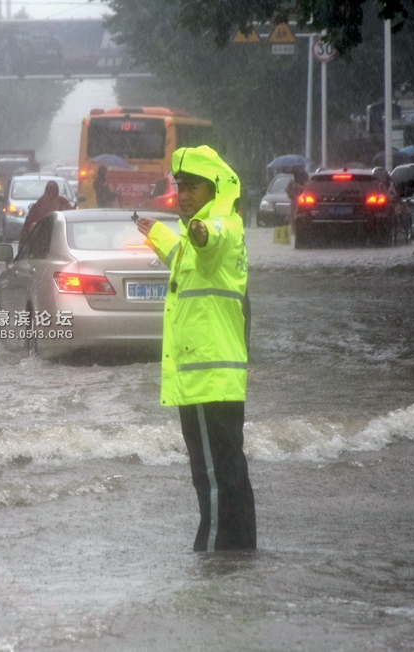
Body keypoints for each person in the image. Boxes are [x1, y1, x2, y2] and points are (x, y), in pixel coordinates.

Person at [135, 144, 256, 552]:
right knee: (227, 473)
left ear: (215, 189)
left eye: (193, 187)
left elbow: (211, 242)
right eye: (180, 186)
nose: (183, 195)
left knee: (214, 476)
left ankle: (218, 555)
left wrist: (201, 232)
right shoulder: (200, 231)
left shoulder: (219, 225)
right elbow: (189, 260)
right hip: (215, 379)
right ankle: (238, 551)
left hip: (206, 379)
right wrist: (157, 234)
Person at [17, 180, 72, 249]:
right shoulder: (62, 202)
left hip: (41, 244)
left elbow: (26, 228)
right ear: (57, 190)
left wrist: (22, 248)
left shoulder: (39, 204)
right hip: (61, 242)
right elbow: (70, 219)